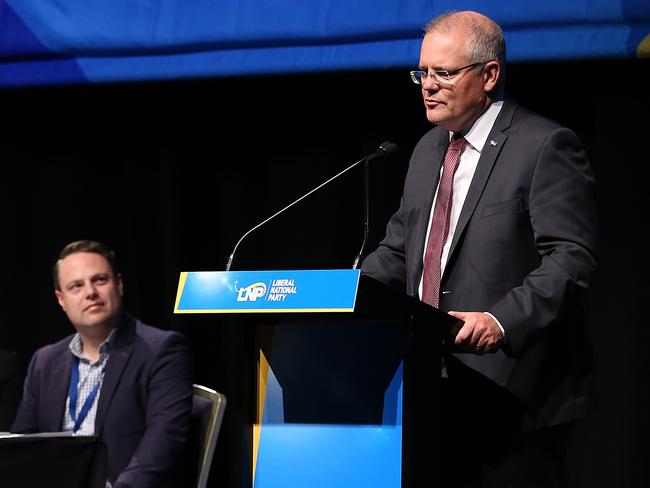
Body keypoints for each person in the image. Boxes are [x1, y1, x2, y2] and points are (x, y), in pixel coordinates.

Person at [361, 11, 598, 487]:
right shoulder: (429, 149)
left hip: (511, 399)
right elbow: (398, 252)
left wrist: (499, 320)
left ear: (489, 75)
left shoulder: (544, 145)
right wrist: (338, 294)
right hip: (429, 388)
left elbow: (572, 257)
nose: (427, 86)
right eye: (421, 73)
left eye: (443, 73)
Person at [11, 240, 193, 488]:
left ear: (119, 285)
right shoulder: (44, 361)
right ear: (61, 299)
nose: (90, 292)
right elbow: (22, 444)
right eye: (76, 286)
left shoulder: (161, 350)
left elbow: (161, 445)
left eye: (99, 280)